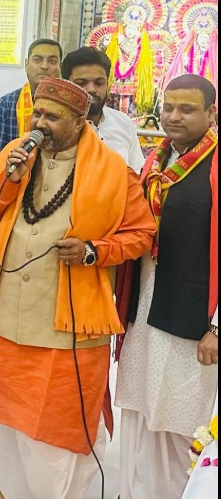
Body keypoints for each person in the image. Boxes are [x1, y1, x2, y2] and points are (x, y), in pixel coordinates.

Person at [0, 77, 156, 499]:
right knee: (5, 423)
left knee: (56, 430)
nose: (40, 123)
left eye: (53, 116)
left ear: (81, 121)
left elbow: (142, 234)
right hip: (5, 313)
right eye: (38, 113)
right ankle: (9, 489)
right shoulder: (16, 155)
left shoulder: (114, 171)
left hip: (67, 325)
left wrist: (93, 251)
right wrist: (12, 178)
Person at [115, 74, 218, 499]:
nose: (174, 116)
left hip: (193, 319)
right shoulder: (156, 163)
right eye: (168, 107)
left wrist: (218, 328)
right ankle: (136, 491)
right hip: (145, 308)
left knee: (183, 417)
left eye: (187, 109)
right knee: (140, 409)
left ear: (211, 113)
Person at [62, 47, 144, 171]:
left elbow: (136, 172)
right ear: (66, 85)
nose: (91, 89)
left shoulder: (123, 123)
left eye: (99, 83)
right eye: (81, 83)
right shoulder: (58, 127)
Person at [0, 39, 62, 161]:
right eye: (37, 60)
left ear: (60, 66)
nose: (44, 66)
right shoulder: (7, 104)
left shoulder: (68, 106)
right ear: (26, 64)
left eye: (52, 61)